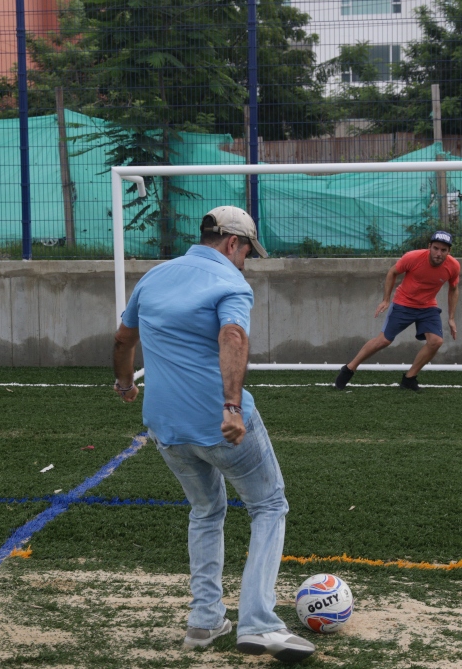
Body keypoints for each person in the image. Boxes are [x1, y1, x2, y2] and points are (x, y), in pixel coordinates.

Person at [112, 206, 316, 664]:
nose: (247, 262)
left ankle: (204, 621)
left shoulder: (155, 276)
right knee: (268, 505)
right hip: (219, 423)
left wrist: (125, 384)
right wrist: (231, 406)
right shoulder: (230, 282)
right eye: (247, 252)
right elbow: (233, 337)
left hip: (165, 426)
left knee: (206, 510)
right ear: (232, 243)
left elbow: (123, 340)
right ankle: (260, 623)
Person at [335, 230, 460, 392]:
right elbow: (392, 272)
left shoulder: (453, 266)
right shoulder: (413, 257)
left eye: (444, 250)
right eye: (436, 248)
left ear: (449, 252)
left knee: (436, 341)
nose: (439, 253)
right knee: (384, 341)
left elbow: (454, 289)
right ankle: (349, 368)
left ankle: (409, 379)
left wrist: (451, 317)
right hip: (403, 303)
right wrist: (386, 299)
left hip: (428, 306)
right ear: (429, 246)